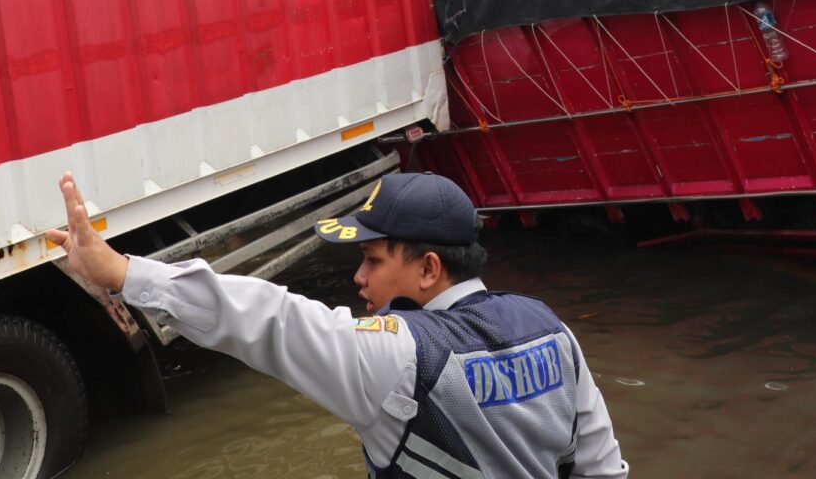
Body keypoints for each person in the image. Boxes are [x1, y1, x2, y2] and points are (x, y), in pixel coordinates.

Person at [47, 170, 629, 479]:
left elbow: (269, 318)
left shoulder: (402, 357)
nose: (358, 279)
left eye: (373, 260)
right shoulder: (552, 331)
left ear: (429, 269)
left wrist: (121, 272)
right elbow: (602, 470)